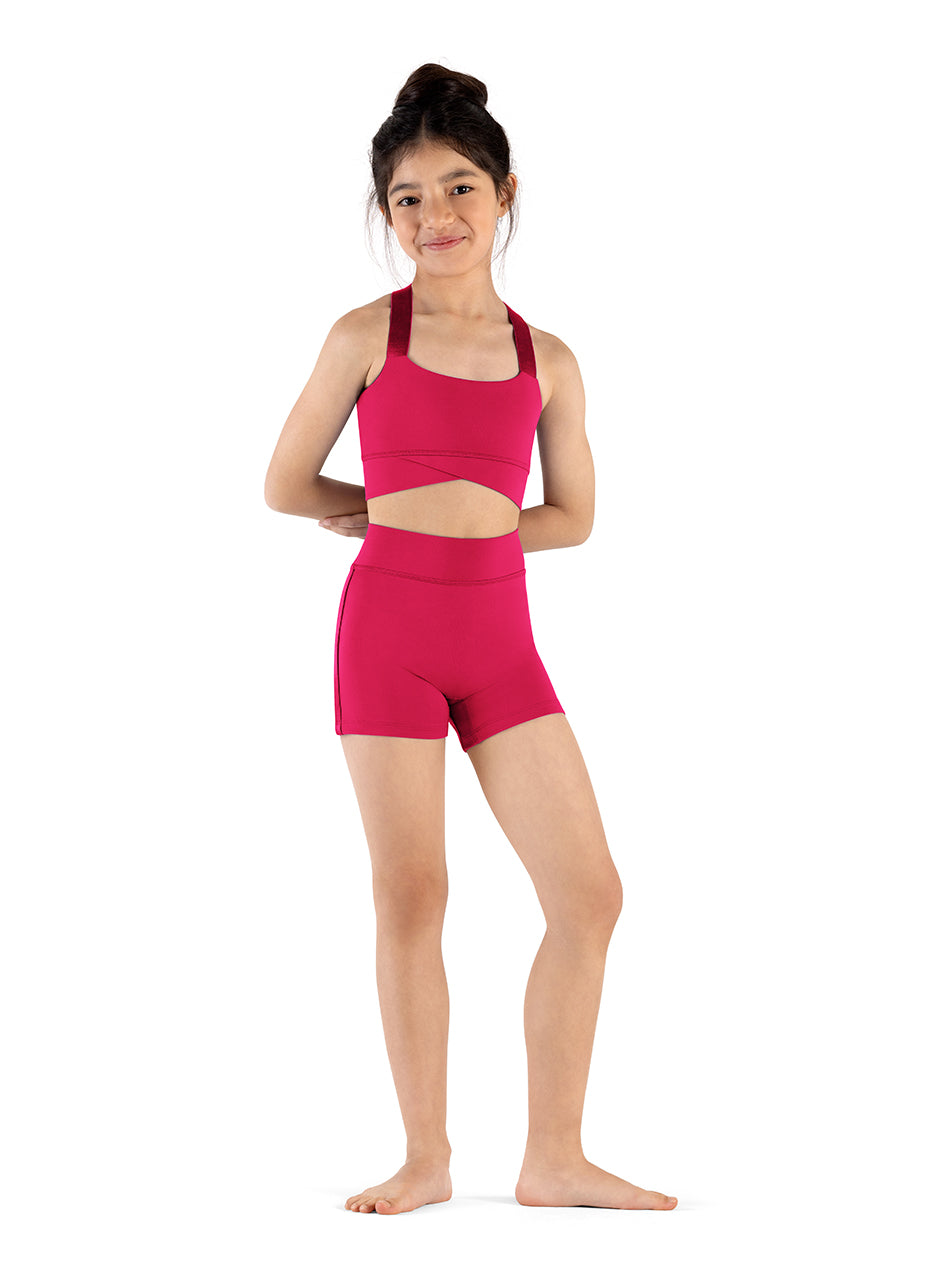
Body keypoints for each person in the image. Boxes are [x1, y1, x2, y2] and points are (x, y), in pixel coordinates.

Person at [264, 62, 678, 1215]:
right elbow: (284, 484)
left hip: (501, 640)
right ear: (384, 213)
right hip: (386, 633)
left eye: (458, 188)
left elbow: (573, 517)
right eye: (406, 197)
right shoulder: (364, 334)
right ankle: (425, 1157)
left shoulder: (549, 359)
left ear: (504, 193)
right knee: (413, 890)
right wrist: (385, 512)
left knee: (589, 893)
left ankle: (554, 1156)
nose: (434, 215)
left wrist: (478, 524)